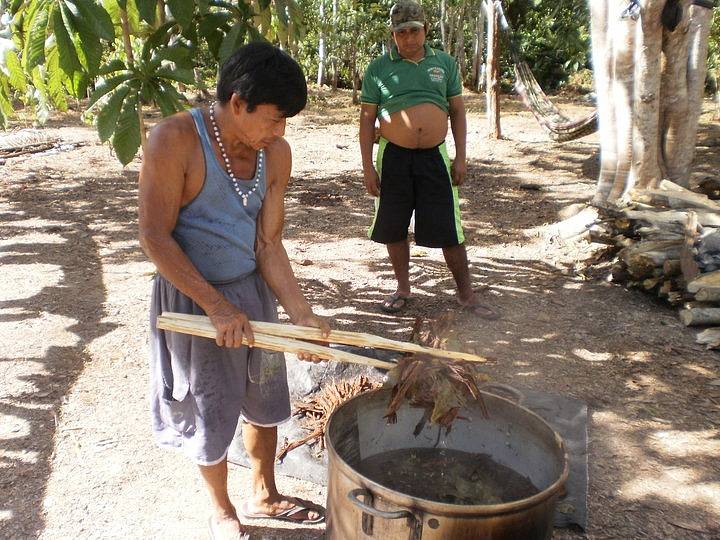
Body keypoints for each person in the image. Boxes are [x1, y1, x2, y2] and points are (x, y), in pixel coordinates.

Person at [138, 42, 327, 540]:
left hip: (252, 298)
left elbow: (268, 243)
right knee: (210, 405)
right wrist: (217, 307)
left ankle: (263, 492)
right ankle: (221, 509)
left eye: (286, 122)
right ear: (238, 102)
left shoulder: (275, 154)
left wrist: (302, 316)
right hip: (195, 303)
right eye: (274, 118)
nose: (280, 132)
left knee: (265, 396)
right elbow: (155, 238)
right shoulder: (174, 140)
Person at [359, 0, 495, 318]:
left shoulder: (444, 64)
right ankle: (403, 289)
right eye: (401, 33)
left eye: (414, 31)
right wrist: (367, 167)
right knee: (393, 226)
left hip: (435, 156)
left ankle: (466, 295)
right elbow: (367, 120)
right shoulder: (379, 69)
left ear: (426, 30)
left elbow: (458, 111)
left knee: (449, 227)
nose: (408, 39)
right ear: (393, 35)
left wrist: (461, 157)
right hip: (392, 157)